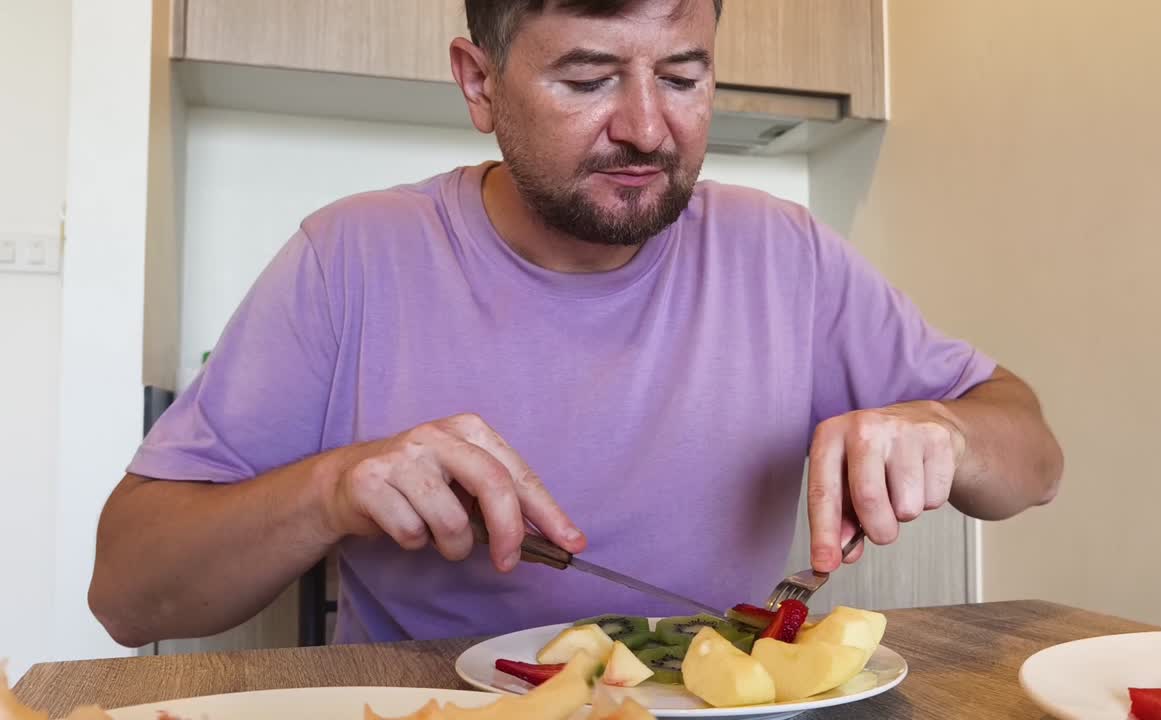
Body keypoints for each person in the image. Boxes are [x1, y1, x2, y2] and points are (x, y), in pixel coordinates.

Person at [88, 0, 1063, 648]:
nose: (646, 127)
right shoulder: (349, 260)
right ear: (478, 82)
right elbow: (127, 594)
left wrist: (944, 432)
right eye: (590, 79)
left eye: (681, 77)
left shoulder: (785, 255)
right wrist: (331, 491)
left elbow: (1032, 461)